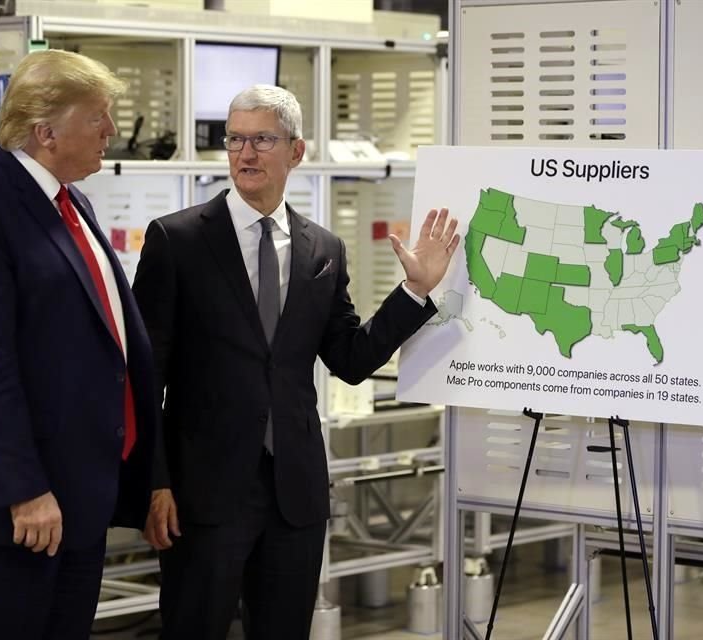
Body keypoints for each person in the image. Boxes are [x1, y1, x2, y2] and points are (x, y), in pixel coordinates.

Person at [132, 84, 459, 639]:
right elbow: (145, 376)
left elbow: (350, 359)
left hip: (294, 494)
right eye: (236, 140)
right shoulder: (177, 240)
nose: (246, 154)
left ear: (297, 151)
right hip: (201, 494)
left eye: (262, 139)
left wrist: (413, 292)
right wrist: (152, 484)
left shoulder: (322, 249)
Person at [0, 49, 157, 639]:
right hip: (8, 511)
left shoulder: (73, 204)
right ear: (45, 131)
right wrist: (25, 490)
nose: (112, 131)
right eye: (98, 116)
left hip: (74, 501)